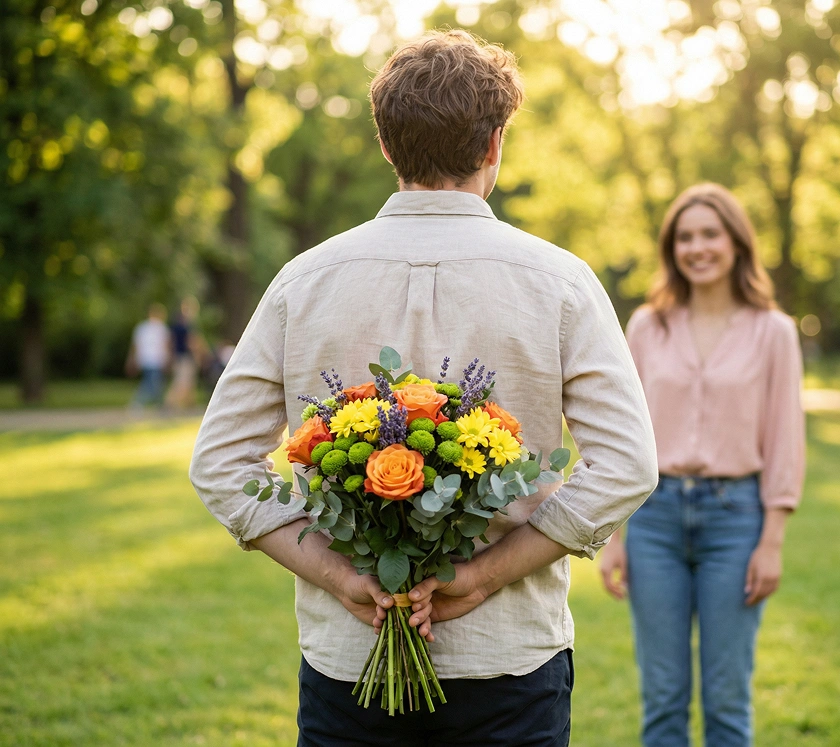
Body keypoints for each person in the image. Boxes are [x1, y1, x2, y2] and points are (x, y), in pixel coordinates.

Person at [189, 30, 658, 747]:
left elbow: (219, 462)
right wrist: (488, 574)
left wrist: (337, 575)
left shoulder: (304, 281)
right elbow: (628, 464)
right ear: (495, 143)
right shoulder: (561, 282)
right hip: (506, 660)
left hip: (348, 660)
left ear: (385, 145)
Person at [599, 183, 805, 747]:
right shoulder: (647, 326)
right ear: (671, 249)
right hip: (654, 520)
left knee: (727, 700)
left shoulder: (774, 332)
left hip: (735, 520)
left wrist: (772, 541)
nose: (698, 248)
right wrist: (613, 536)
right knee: (663, 698)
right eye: (684, 237)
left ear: (737, 242)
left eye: (710, 234)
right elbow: (622, 434)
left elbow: (785, 438)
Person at [126, 303, 171, 409]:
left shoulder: (143, 328)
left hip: (148, 359)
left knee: (155, 382)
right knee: (151, 383)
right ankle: (138, 402)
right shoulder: (159, 329)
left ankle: (159, 405)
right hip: (153, 359)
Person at [165, 296, 203, 410]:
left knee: (186, 380)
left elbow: (171, 341)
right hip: (185, 356)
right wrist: (197, 355)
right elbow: (191, 341)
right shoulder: (187, 324)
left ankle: (189, 404)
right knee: (183, 380)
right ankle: (170, 404)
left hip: (179, 355)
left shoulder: (176, 323)